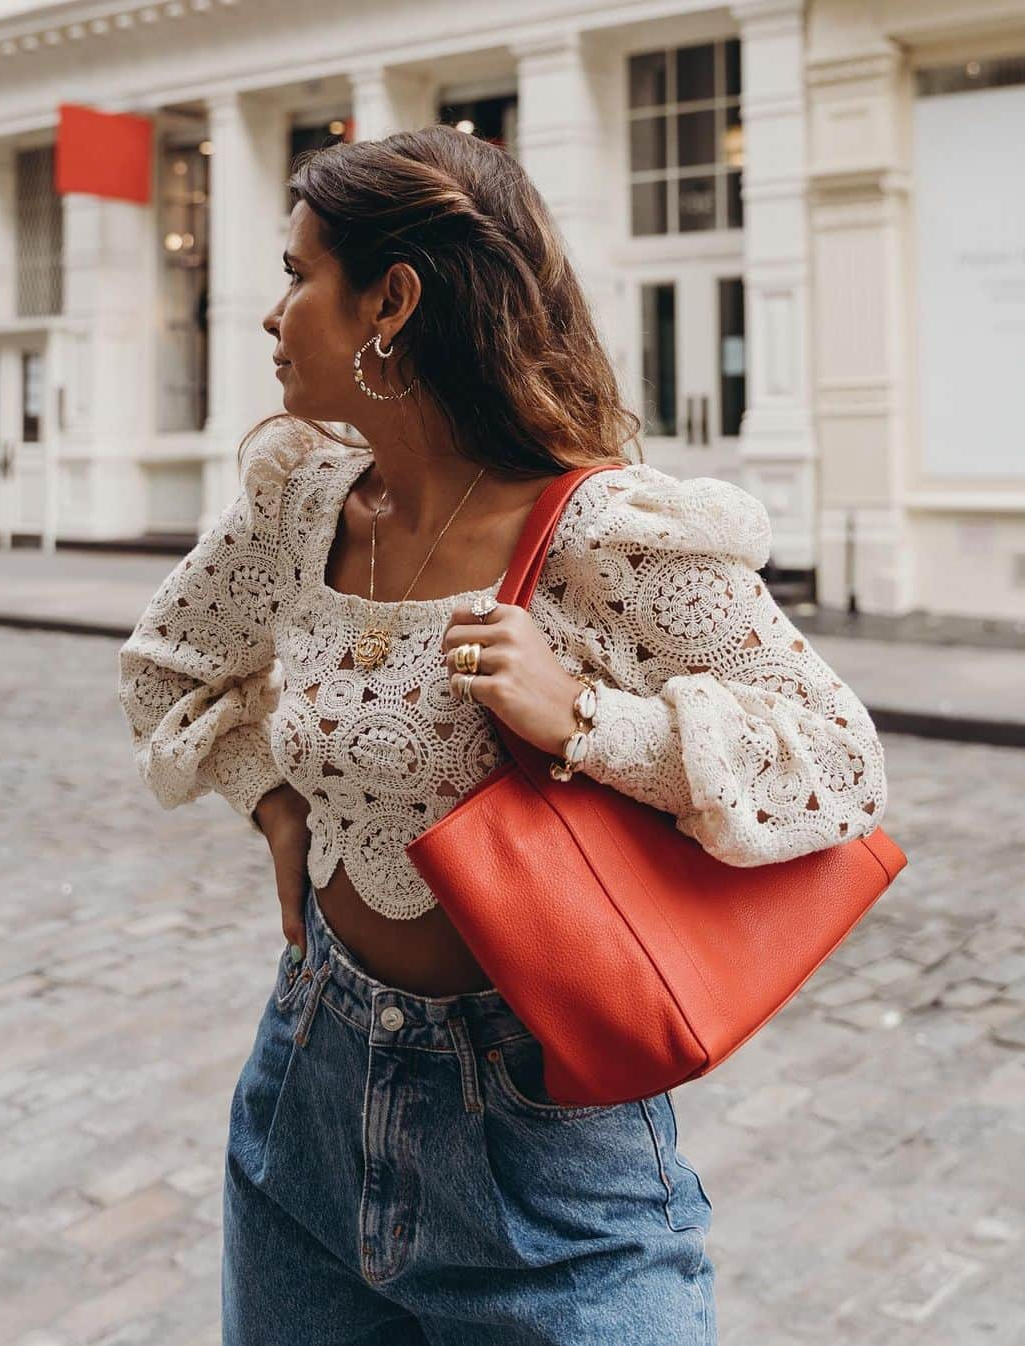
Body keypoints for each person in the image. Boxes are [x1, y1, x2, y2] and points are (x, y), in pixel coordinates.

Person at [117, 124, 887, 1346]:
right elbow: (168, 668)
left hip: (543, 1150)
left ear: (392, 300)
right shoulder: (300, 502)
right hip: (306, 1100)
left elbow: (843, 762)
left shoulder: (607, 534)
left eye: (296, 273)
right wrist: (272, 798)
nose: (268, 315)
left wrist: (585, 717)